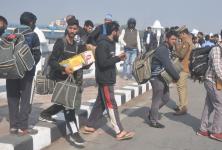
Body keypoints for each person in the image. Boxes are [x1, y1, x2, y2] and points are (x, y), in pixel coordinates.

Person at [82, 21, 135, 140]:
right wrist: (117, 58)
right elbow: (102, 62)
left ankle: (90, 125)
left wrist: (118, 58)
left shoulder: (111, 43)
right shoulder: (103, 44)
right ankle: (119, 131)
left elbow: (109, 59)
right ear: (113, 31)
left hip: (108, 77)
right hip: (105, 79)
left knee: (100, 103)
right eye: (118, 31)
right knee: (111, 104)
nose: (120, 34)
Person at [39, 18, 86, 146]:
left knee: (64, 102)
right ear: (67, 28)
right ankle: (74, 134)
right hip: (61, 77)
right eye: (70, 28)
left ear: (78, 29)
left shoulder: (79, 44)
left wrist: (88, 61)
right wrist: (63, 68)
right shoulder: (61, 42)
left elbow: (83, 63)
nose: (72, 31)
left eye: (75, 29)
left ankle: (45, 113)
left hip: (74, 78)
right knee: (69, 106)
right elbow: (52, 61)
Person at [196, 27, 222, 142]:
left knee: (209, 105)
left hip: (213, 80)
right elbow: (217, 68)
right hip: (211, 81)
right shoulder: (217, 49)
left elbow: (221, 67)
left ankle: (202, 129)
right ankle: (215, 132)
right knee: (221, 106)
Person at [6, 12, 41, 136]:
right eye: (34, 22)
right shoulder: (33, 35)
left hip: (10, 72)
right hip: (26, 73)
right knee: (25, 100)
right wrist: (28, 66)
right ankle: (23, 127)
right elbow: (37, 55)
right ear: (31, 22)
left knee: (12, 99)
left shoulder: (10, 34)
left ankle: (13, 127)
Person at [148, 30, 180, 128]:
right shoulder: (163, 49)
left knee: (166, 98)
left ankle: (152, 112)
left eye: (176, 39)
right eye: (172, 39)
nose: (174, 41)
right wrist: (176, 77)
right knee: (157, 100)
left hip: (162, 78)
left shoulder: (168, 48)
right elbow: (168, 66)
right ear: (166, 39)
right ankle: (153, 120)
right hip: (156, 77)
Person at [173, 26, 194, 115]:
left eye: (180, 35)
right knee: (183, 87)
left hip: (183, 67)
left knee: (180, 87)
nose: (179, 37)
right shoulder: (189, 40)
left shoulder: (186, 41)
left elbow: (181, 55)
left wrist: (175, 50)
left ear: (183, 33)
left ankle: (182, 107)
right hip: (186, 67)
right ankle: (182, 105)